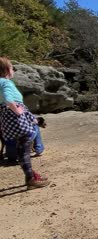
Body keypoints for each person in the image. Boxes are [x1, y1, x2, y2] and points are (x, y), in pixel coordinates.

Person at [0, 57, 50, 189]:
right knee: (25, 147)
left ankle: (31, 174)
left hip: (7, 119)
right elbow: (8, 99)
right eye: (12, 68)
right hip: (16, 117)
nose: (13, 70)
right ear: (6, 70)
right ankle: (31, 179)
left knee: (23, 146)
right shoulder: (6, 83)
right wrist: (18, 112)